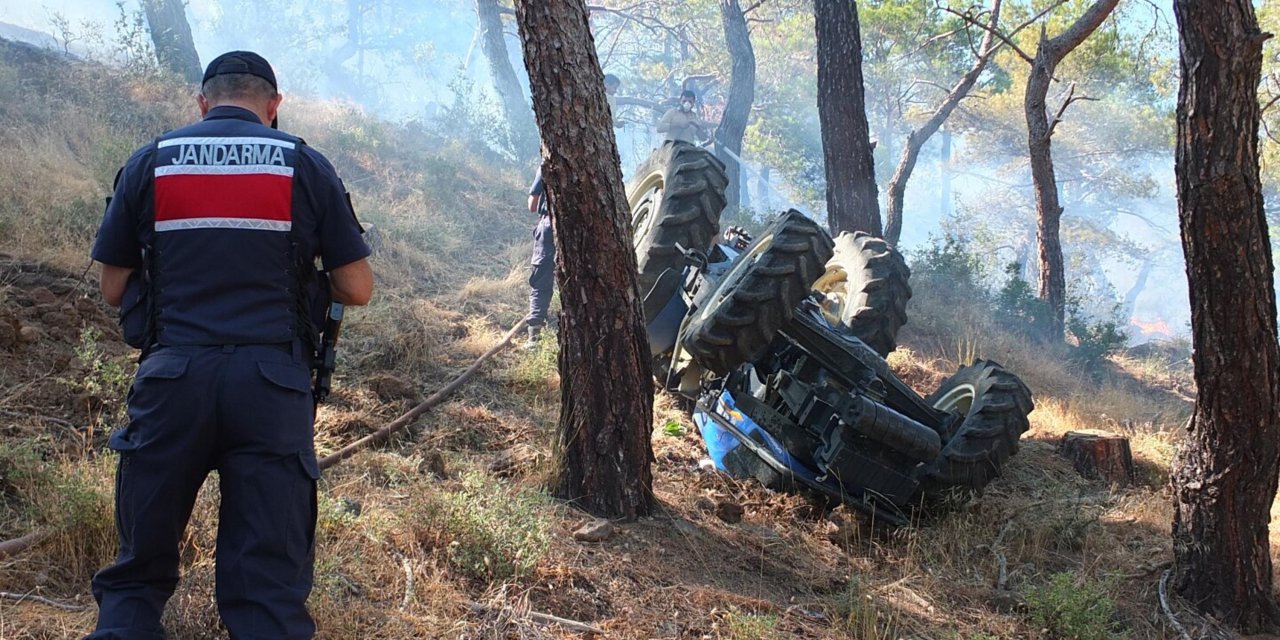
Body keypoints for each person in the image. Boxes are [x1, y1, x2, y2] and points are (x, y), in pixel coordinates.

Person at [87, 51, 374, 640]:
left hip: (172, 381)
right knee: (268, 588)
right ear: (273, 107)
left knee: (137, 576)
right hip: (272, 387)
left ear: (203, 102)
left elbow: (113, 288)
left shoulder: (151, 163)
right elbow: (357, 287)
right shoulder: (305, 166)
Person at [524, 165, 554, 348]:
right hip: (580, 231)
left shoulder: (546, 165)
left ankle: (534, 338)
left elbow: (533, 205)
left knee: (541, 282)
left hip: (548, 227)